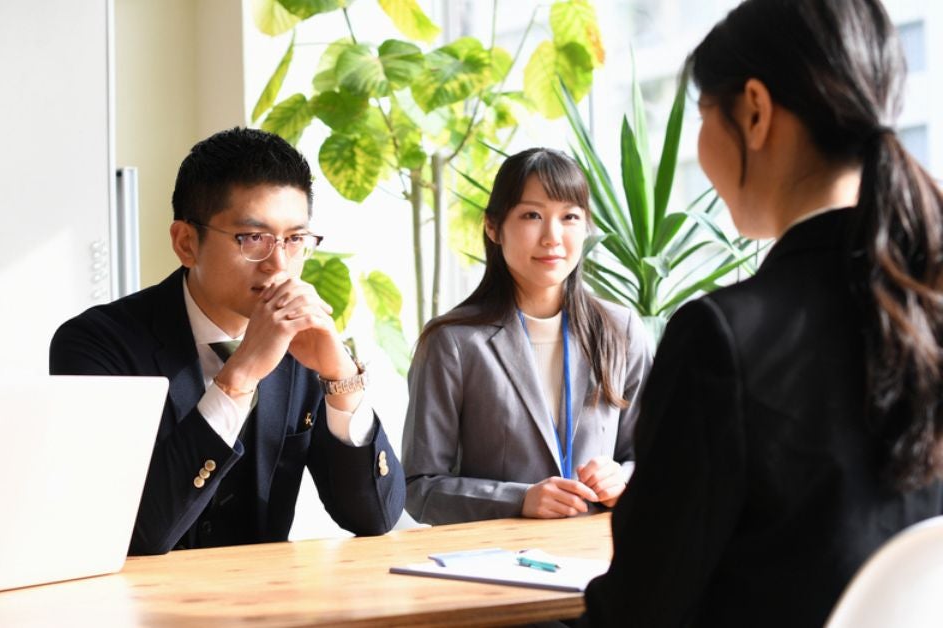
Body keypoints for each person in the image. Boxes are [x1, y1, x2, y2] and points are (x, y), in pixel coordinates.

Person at [581, 0, 943, 625]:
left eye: (702, 114)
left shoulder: (722, 338)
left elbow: (636, 613)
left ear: (753, 110)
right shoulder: (927, 306)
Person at [49, 127, 405, 554]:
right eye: (253, 238)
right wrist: (239, 377)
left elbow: (375, 517)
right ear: (186, 243)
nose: (278, 264)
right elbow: (137, 533)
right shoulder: (95, 344)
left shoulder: (303, 341)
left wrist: (341, 379)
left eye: (294, 240)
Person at [402, 148, 652, 525]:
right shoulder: (452, 342)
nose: (552, 237)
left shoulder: (622, 330)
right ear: (493, 227)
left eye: (569, 217)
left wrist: (622, 479)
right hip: (495, 564)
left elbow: (657, 456)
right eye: (532, 215)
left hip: (601, 558)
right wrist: (518, 499)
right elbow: (419, 488)